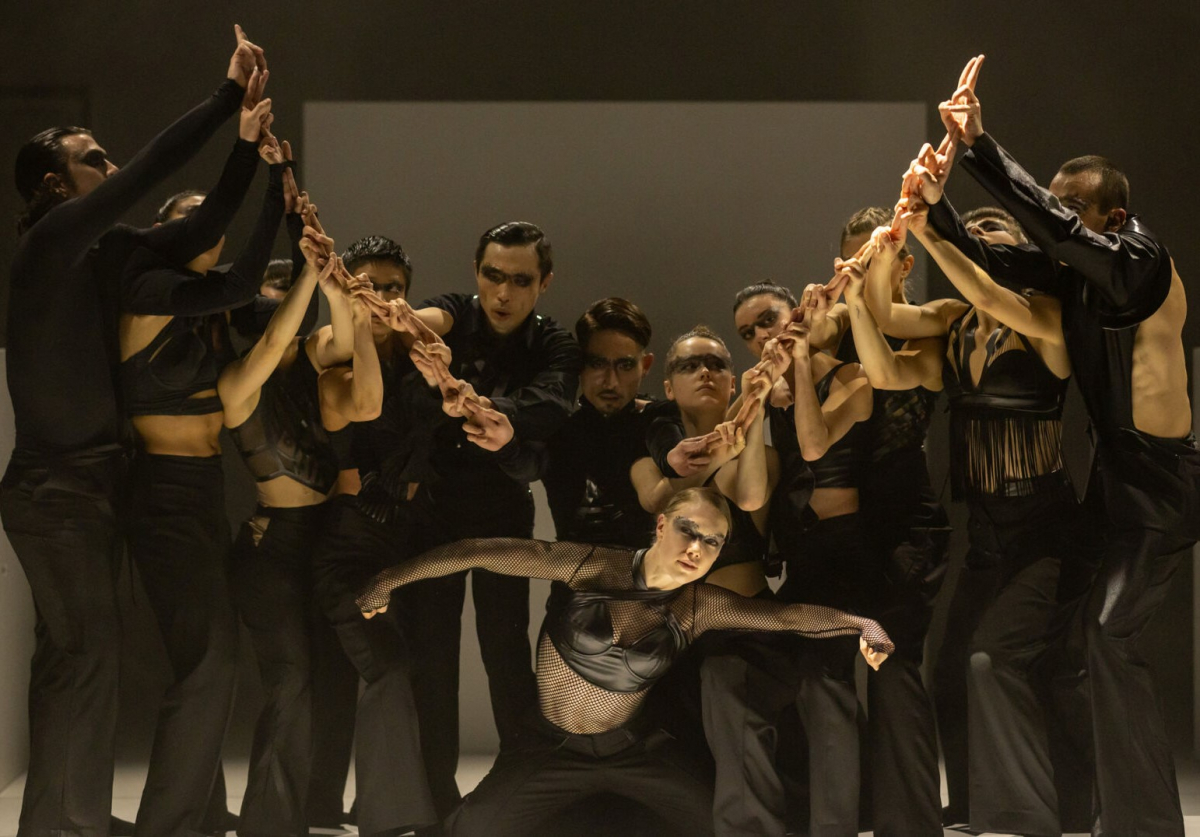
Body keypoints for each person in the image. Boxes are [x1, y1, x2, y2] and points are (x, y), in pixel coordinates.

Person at [913, 54, 1200, 836]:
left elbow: (1047, 233)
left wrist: (980, 146)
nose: (1055, 217)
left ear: (1108, 219)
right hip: (1113, 480)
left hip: (1162, 491)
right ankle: (1075, 806)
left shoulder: (1142, 264)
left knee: (1108, 635)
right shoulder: (1083, 276)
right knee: (1060, 644)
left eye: (1071, 210)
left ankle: (1144, 826)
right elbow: (1001, 266)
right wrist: (931, 213)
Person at [0, 26, 266, 837]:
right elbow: (152, 171)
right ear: (53, 185)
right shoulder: (52, 242)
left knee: (84, 659)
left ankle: (67, 819)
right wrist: (224, 97)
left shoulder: (106, 254)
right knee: (82, 659)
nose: (112, 170)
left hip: (89, 489)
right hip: (57, 491)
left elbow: (200, 231)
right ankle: (62, 827)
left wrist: (249, 146)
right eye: (94, 160)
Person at [354, 486, 893, 837]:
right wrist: (389, 579)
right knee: (470, 830)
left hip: (634, 752)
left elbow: (787, 616)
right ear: (661, 526)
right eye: (689, 529)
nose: (698, 548)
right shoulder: (593, 566)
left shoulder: (699, 605)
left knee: (719, 826)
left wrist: (863, 625)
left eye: (714, 542)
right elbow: (477, 549)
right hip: (552, 750)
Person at [838, 203, 1077, 835]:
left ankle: (1022, 817)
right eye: (978, 239)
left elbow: (983, 286)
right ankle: (971, 807)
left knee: (988, 661)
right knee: (947, 670)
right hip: (989, 533)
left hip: (1047, 527)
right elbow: (888, 361)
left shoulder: (1046, 318)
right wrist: (872, 269)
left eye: (997, 239)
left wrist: (935, 234)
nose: (985, 249)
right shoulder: (951, 323)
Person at [401, 221, 582, 824]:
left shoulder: (555, 342)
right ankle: (432, 798)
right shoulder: (456, 311)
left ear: (544, 283)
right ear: (477, 273)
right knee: (432, 655)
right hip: (435, 511)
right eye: (492, 276)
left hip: (504, 507)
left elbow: (551, 406)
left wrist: (476, 404)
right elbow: (424, 319)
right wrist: (403, 321)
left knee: (504, 650)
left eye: (520, 280)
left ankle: (523, 786)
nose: (503, 292)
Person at [543, 298, 659, 548]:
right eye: (598, 363)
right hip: (575, 581)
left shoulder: (661, 424)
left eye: (625, 365)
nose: (611, 382)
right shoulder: (557, 432)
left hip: (656, 583)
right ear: (579, 363)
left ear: (645, 365)